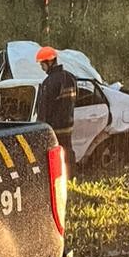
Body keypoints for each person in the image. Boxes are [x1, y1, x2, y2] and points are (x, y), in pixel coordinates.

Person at [35, 45, 78, 174]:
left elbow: (44, 108)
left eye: (42, 64)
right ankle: (71, 176)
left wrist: (40, 126)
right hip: (68, 125)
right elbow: (75, 100)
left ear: (49, 62)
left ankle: (59, 177)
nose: (42, 68)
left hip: (54, 127)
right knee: (67, 151)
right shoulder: (70, 78)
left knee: (54, 155)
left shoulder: (49, 82)